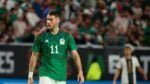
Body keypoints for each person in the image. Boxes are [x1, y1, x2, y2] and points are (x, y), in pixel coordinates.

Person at [27, 10, 84, 84]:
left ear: (58, 20)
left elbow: (75, 55)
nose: (48, 22)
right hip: (45, 73)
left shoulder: (67, 36)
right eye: (47, 19)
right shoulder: (41, 36)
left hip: (61, 75)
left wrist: (80, 72)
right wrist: (30, 76)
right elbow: (34, 55)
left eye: (51, 19)